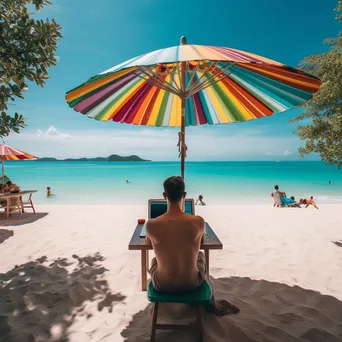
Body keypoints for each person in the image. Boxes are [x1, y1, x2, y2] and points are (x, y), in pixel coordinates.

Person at [145, 176, 239, 316]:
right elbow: (200, 244)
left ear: (164, 195)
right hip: (191, 284)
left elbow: (148, 244)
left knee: (154, 260)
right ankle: (212, 303)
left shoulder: (151, 225)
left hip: (161, 285)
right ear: (184, 195)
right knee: (200, 256)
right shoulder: (198, 222)